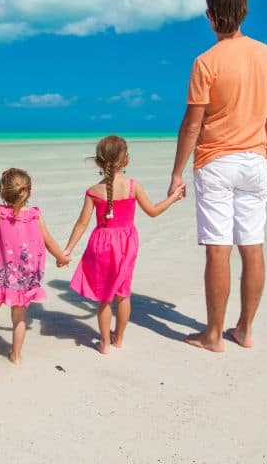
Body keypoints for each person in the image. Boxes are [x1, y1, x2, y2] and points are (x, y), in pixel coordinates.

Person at [168, 0, 267, 353]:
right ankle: (245, 330)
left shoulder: (206, 62)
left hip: (216, 161)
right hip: (255, 161)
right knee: (252, 246)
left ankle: (214, 335)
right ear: (245, 12)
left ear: (209, 15)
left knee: (218, 249)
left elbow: (191, 124)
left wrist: (176, 173)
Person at [65, 135, 185, 354]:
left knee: (103, 298)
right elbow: (153, 211)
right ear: (126, 160)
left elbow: (82, 223)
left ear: (99, 162)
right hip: (126, 244)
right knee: (123, 295)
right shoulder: (132, 186)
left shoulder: (93, 191)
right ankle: (118, 339)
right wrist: (174, 198)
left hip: (100, 244)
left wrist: (67, 250)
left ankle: (104, 343)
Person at [0, 168, 69, 373]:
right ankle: (16, 356)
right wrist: (61, 257)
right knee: (19, 319)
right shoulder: (35, 215)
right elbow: (49, 241)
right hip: (23, 279)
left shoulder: (1, 212)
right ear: (29, 192)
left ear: (2, 193)